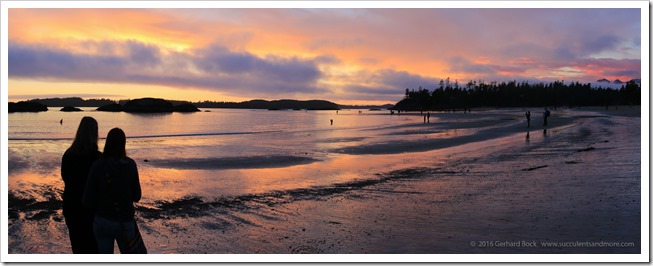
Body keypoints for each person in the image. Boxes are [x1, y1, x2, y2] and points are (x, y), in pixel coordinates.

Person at [83, 128, 145, 254]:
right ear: (123, 143)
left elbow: (87, 199)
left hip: (102, 220)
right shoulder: (130, 165)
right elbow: (137, 196)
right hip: (125, 221)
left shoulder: (97, 165)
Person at [61, 116, 101, 253]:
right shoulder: (97, 157)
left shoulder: (68, 154)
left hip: (71, 205)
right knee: (94, 248)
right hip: (91, 208)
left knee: (77, 247)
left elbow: (65, 177)